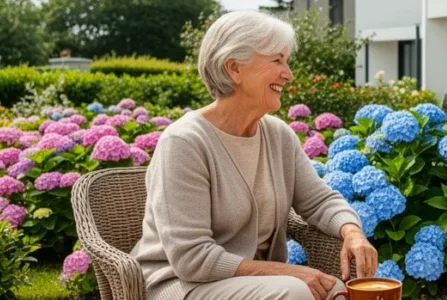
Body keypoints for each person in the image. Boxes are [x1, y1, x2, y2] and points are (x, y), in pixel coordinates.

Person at [130, 11, 377, 300]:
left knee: (337, 290)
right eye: (277, 60)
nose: (289, 73)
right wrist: (290, 272)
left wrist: (353, 233)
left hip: (254, 282)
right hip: (182, 284)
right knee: (297, 292)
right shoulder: (184, 142)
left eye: (286, 60)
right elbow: (192, 258)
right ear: (234, 68)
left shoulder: (278, 135)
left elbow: (319, 200)